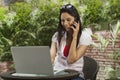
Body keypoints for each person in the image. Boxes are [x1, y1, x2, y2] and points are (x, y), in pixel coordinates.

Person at [50, 4, 92, 80]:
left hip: (75, 76)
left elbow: (71, 60)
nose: (65, 23)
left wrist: (75, 37)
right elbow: (51, 59)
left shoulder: (85, 37)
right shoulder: (57, 36)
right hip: (58, 74)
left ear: (76, 20)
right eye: (62, 20)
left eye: (68, 20)